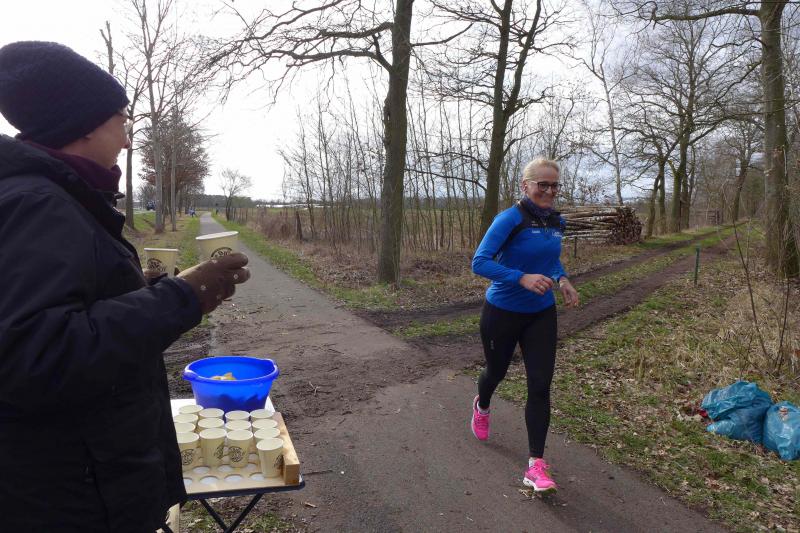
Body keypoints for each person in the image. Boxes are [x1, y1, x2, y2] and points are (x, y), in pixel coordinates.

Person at [0, 41, 251, 532]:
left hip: (81, 482)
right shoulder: (37, 204)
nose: (128, 140)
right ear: (85, 124)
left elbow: (65, 308)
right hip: (71, 499)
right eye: (122, 120)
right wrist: (181, 297)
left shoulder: (56, 198)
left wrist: (144, 288)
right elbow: (33, 354)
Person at [470, 158, 579, 493]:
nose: (549, 191)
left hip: (541, 313)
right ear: (525, 185)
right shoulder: (510, 219)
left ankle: (536, 465)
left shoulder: (556, 221)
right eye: (542, 184)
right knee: (496, 372)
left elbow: (550, 259)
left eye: (554, 185)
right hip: (502, 311)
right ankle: (482, 405)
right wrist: (521, 278)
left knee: (540, 385)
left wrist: (562, 278)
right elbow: (479, 262)